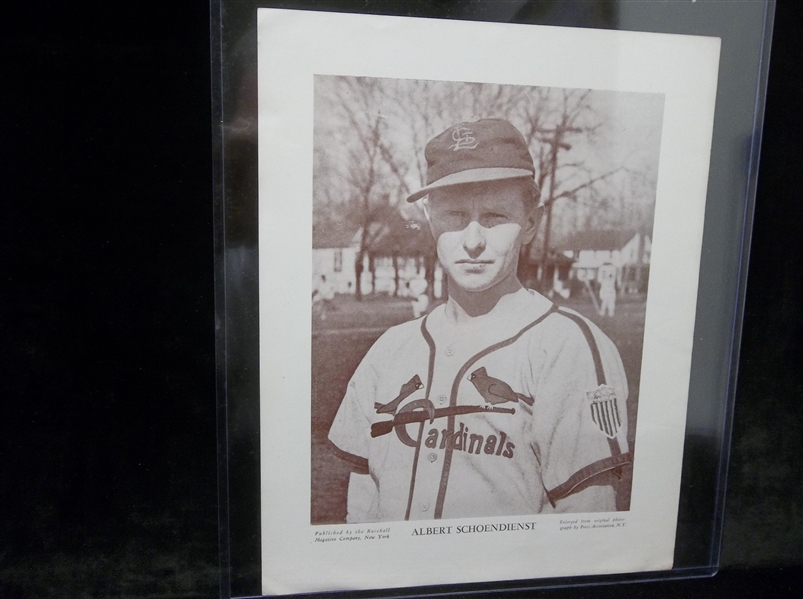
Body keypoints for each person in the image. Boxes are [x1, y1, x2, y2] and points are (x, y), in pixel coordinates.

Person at [328, 118, 630, 522]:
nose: (472, 241)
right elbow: (362, 509)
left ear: (530, 223)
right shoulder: (388, 351)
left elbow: (587, 525)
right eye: (454, 215)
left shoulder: (565, 346)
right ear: (431, 220)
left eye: (493, 216)